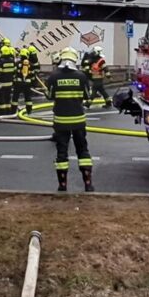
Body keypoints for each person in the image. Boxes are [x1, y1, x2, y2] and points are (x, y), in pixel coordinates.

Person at [46, 48, 94, 192]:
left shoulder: (53, 77)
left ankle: (62, 186)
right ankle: (88, 184)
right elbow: (87, 96)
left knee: (62, 152)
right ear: (74, 60)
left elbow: (49, 96)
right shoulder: (81, 76)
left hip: (61, 121)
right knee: (83, 150)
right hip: (78, 120)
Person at [0, 42, 18, 122]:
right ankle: (8, 111)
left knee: (2, 99)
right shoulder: (12, 61)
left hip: (2, 83)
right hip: (10, 83)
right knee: (8, 98)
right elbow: (15, 72)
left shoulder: (0, 61)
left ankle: (2, 112)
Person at [18, 45, 39, 113]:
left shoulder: (20, 63)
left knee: (16, 97)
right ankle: (29, 110)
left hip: (21, 82)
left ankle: (12, 110)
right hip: (28, 81)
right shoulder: (33, 60)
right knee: (28, 97)